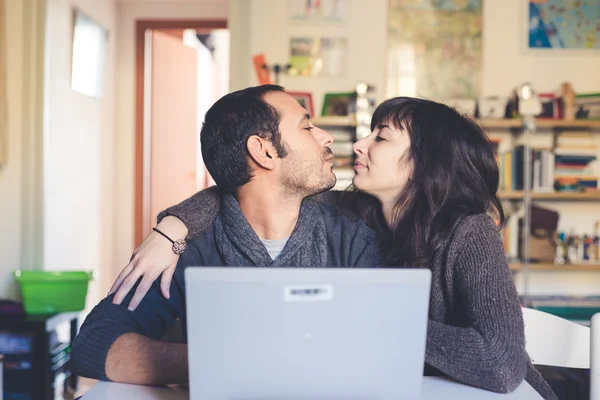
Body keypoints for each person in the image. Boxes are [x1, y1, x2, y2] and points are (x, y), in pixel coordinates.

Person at [109, 97, 558, 399]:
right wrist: (173, 226)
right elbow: (249, 187)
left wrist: (375, 319)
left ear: (426, 165)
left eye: (380, 137)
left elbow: (502, 365)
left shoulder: (469, 232)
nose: (358, 145)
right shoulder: (354, 213)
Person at [71, 85, 381, 385]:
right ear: (264, 151)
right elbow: (94, 345)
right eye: (306, 127)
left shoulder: (351, 233)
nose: (325, 136)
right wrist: (223, 362)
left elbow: (380, 347)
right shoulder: (190, 249)